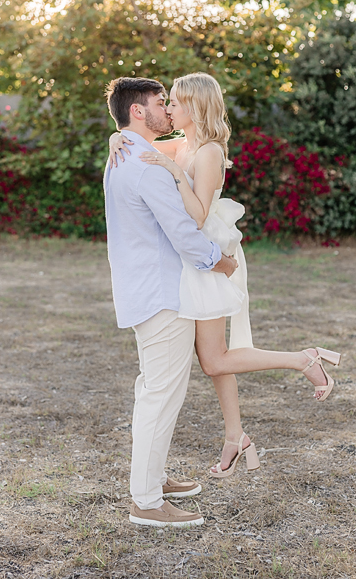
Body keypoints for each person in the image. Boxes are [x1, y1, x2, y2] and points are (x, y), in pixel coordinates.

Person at [108, 72, 342, 478]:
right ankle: (236, 436)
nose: (168, 108)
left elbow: (196, 216)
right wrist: (117, 138)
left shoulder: (210, 152)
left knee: (214, 360)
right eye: (166, 102)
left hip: (211, 256)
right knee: (214, 358)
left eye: (175, 102)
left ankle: (303, 360)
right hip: (193, 261)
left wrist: (172, 170)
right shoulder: (182, 143)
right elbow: (136, 139)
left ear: (195, 106)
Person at [103, 76, 239, 528]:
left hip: (146, 289)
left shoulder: (128, 152)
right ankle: (145, 501)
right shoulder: (140, 162)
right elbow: (183, 230)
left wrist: (114, 136)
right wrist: (217, 262)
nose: (167, 109)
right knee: (160, 394)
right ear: (138, 111)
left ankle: (154, 478)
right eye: (160, 103)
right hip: (161, 293)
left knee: (156, 390)